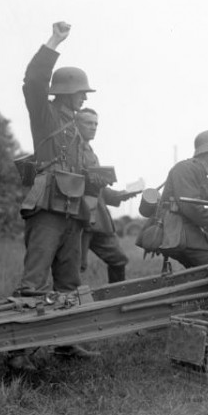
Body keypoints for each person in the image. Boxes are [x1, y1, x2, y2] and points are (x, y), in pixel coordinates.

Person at [9, 21, 98, 370]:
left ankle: (67, 344)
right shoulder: (45, 116)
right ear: (64, 92)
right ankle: (17, 352)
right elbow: (33, 83)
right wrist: (53, 41)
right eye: (81, 92)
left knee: (70, 283)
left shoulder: (76, 128)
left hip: (71, 212)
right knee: (33, 282)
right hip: (47, 209)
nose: (84, 98)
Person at [156, 130, 208, 268]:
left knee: (199, 272)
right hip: (178, 227)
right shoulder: (185, 169)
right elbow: (190, 206)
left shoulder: (197, 172)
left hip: (184, 227)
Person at [75, 108, 135, 283]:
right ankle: (68, 305)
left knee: (119, 260)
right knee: (76, 267)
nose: (93, 127)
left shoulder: (90, 152)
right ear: (77, 124)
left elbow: (100, 191)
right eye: (88, 123)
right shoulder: (72, 150)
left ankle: (116, 300)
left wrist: (121, 195)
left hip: (99, 221)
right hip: (80, 219)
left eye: (96, 124)